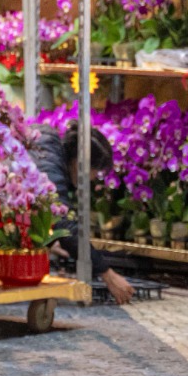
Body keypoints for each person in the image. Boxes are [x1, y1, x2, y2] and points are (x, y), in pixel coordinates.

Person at [27, 123, 135, 304]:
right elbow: (63, 220)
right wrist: (107, 274)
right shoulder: (49, 163)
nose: (92, 179)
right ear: (80, 163)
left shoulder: (49, 153)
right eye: (95, 172)